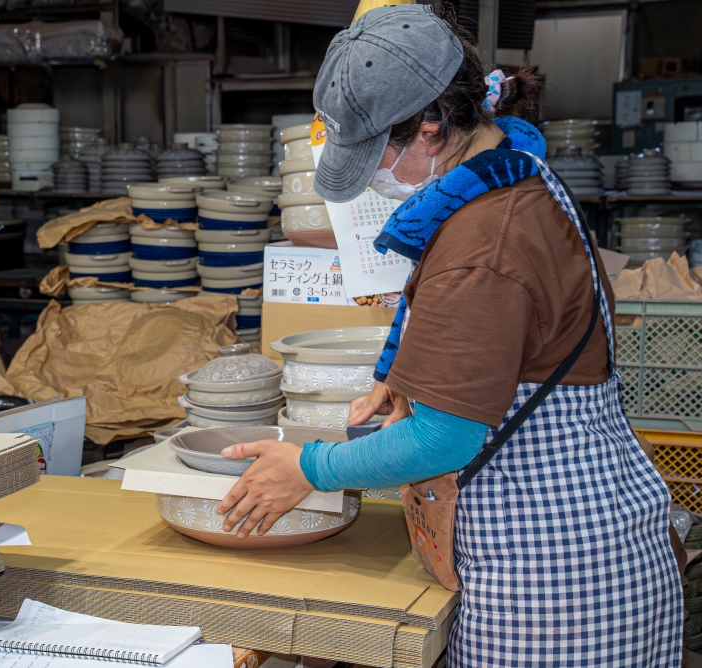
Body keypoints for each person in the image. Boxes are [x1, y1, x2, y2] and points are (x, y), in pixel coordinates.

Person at [215, 4, 683, 664]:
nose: (372, 176)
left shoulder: (484, 240)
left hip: (553, 581)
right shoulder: (513, 175)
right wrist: (398, 373)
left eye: (374, 153)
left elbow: (444, 436)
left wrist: (308, 468)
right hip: (586, 527)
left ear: (430, 127)